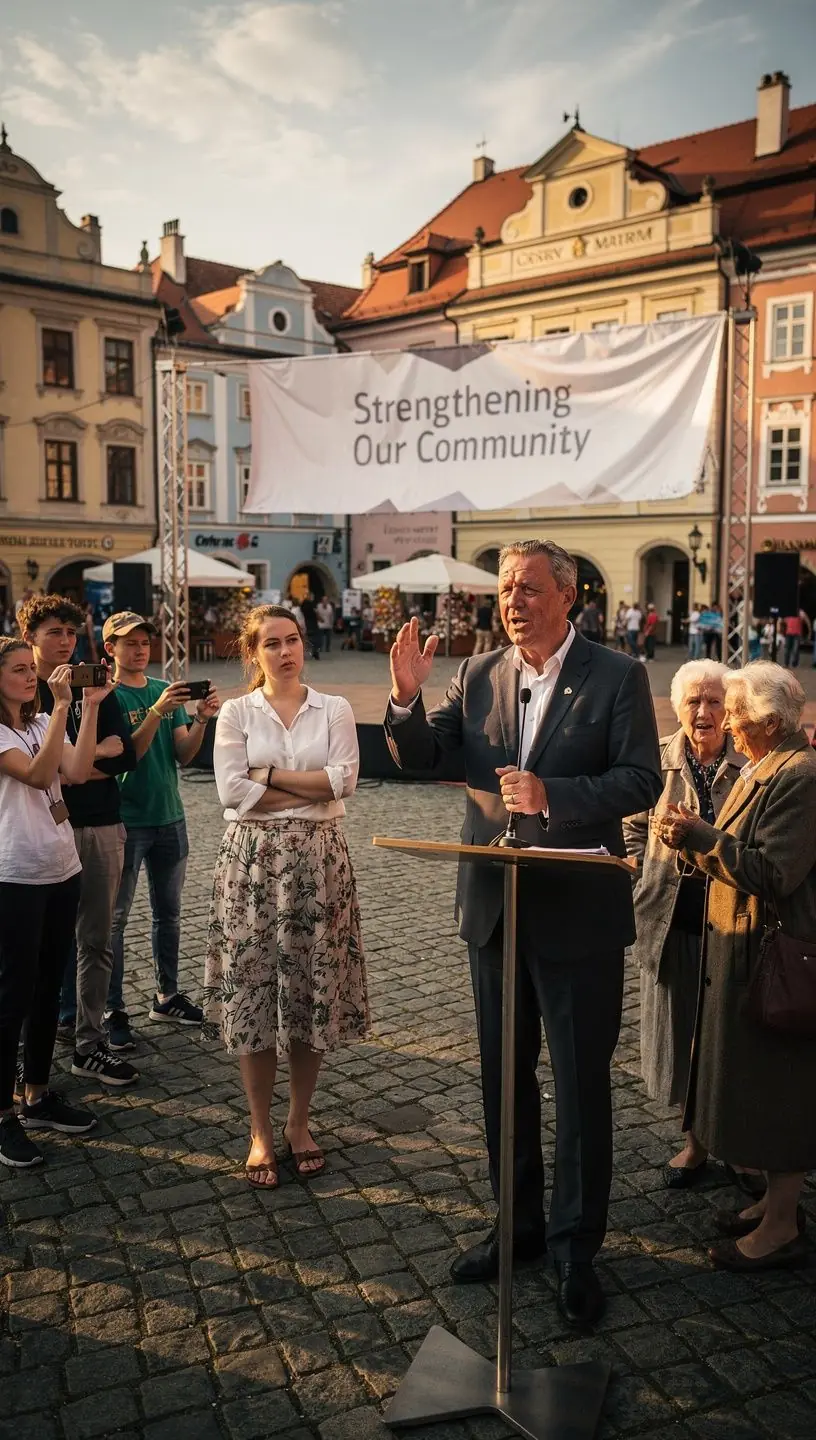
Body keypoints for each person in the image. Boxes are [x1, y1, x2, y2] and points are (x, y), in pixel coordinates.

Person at [384, 539, 662, 1329]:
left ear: (568, 596)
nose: (512, 601)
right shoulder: (477, 674)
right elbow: (422, 754)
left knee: (578, 1084)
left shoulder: (618, 675)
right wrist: (406, 700)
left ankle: (578, 1247)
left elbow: (642, 778)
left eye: (529, 589)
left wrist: (554, 793)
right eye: (506, 589)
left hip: (576, 909)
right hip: (495, 909)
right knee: (504, 1079)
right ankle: (520, 1227)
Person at [659, 662, 816, 1271]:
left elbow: (774, 872)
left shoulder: (799, 776)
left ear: (771, 723)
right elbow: (737, 852)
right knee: (763, 1083)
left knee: (780, 1088)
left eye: (737, 714)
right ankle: (775, 1207)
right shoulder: (769, 765)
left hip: (773, 957)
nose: (725, 722)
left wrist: (700, 835)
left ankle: (781, 1225)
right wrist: (690, 842)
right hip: (748, 951)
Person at [204, 604, 368, 1188]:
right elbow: (229, 788)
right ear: (254, 654)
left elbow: (344, 780)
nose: (285, 651)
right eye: (271, 643)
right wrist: (306, 787)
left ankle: (299, 1122)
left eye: (292, 639)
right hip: (253, 865)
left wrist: (266, 776)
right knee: (255, 994)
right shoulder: (235, 712)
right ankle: (259, 1130)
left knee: (309, 993)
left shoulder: (336, 709)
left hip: (320, 861)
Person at [624, 661, 741, 1187]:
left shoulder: (748, 761)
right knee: (682, 1032)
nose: (704, 712)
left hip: (736, 923)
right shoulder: (656, 760)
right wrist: (638, 880)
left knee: (733, 1037)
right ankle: (694, 1143)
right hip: (672, 918)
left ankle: (741, 1147)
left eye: (715, 701)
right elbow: (627, 824)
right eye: (694, 701)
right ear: (678, 708)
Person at [18, 595, 139, 1087]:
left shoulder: (94, 684)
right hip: (47, 830)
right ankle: (30, 1052)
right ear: (32, 638)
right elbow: (43, 771)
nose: (66, 642)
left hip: (104, 824)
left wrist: (72, 767)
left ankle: (89, 1043)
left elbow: (123, 754)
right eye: (55, 633)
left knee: (97, 940)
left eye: (71, 632)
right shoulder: (25, 694)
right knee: (37, 947)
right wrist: (78, 763)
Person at [0, 639, 111, 1168]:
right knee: (11, 996)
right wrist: (62, 706)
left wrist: (86, 707)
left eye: (30, 669)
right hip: (14, 876)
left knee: (47, 988)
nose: (29, 677)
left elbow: (79, 770)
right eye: (18, 670)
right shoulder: (2, 732)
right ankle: (3, 1116)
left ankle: (37, 1096)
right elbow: (40, 776)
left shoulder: (42, 721)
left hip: (61, 868)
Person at [103, 612, 220, 1051]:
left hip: (170, 816)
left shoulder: (162, 691)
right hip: (126, 822)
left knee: (168, 914)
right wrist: (154, 712)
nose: (139, 649)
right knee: (115, 921)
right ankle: (113, 1009)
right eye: (129, 642)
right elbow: (128, 754)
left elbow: (184, 755)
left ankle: (166, 996)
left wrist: (202, 719)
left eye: (145, 641)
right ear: (110, 649)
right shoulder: (104, 697)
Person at [300, 592, 321, 661]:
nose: (312, 597)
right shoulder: (311, 605)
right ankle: (315, 653)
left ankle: (311, 653)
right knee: (316, 639)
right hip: (312, 624)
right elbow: (315, 614)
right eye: (311, 596)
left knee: (310, 639)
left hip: (307, 623)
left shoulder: (303, 605)